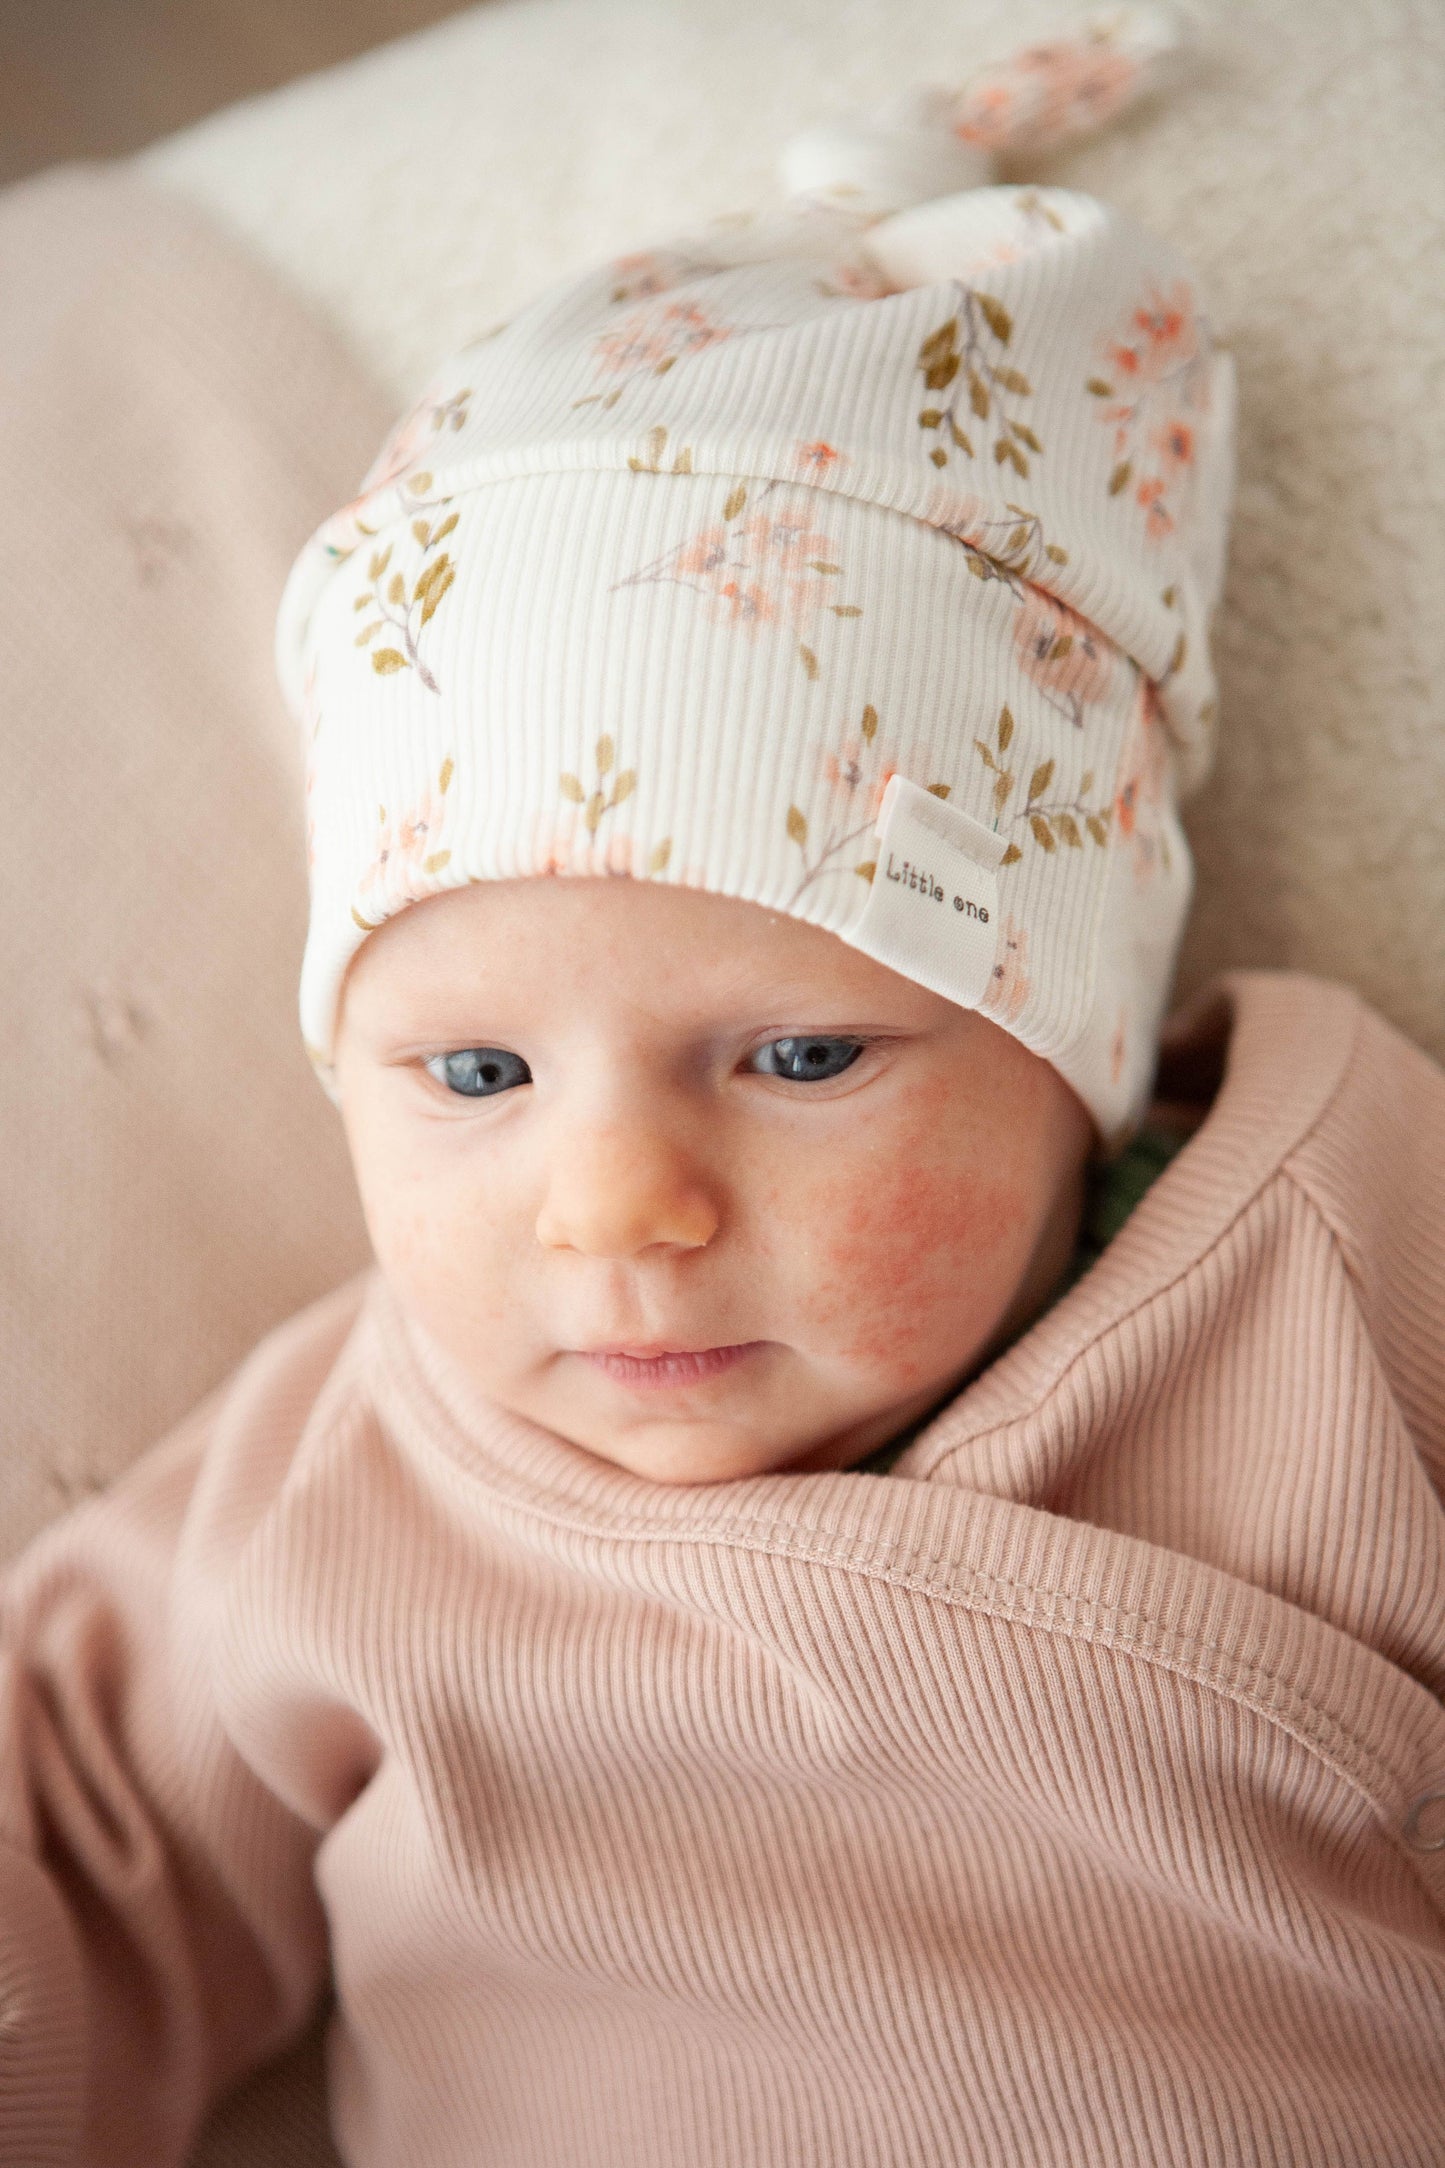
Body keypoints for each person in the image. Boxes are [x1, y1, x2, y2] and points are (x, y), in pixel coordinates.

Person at [3, 13, 1443, 2164]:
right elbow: (73, 1853)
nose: (613, 1207)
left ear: (1076, 1031)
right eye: (473, 1068)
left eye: (795, 1056)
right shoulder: (356, 1468)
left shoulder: (1328, 1251)